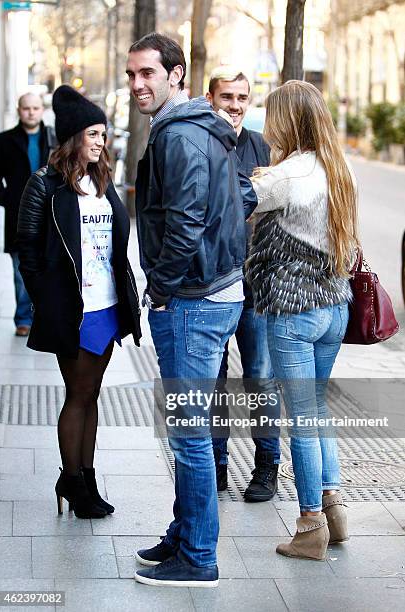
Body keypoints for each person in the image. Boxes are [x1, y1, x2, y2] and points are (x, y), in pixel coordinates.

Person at [126, 33, 256, 587]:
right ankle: (184, 532)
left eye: (149, 74)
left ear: (176, 75)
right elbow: (240, 198)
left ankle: (199, 556)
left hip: (194, 300)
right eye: (131, 74)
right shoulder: (202, 128)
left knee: (189, 434)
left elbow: (185, 222)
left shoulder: (181, 135)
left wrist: (162, 285)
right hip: (212, 291)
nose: (137, 84)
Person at [17, 85, 141, 519]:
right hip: (74, 307)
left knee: (92, 394)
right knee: (78, 393)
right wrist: (46, 300)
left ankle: (85, 477)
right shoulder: (45, 184)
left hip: (107, 304)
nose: (99, 142)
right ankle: (71, 479)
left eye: (103, 135)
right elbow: (27, 249)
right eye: (91, 134)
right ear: (72, 137)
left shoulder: (102, 182)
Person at [246, 80, 358, 560]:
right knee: (316, 410)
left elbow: (235, 205)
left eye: (271, 115)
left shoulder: (283, 176)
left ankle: (309, 523)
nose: (266, 124)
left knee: (303, 421)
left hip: (295, 310)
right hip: (336, 305)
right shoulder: (339, 168)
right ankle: (334, 507)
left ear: (286, 120)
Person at [206, 67, 281, 502]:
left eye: (242, 98)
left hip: (254, 289)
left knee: (260, 379)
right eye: (227, 97)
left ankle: (266, 467)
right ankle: (216, 464)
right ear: (210, 98)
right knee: (213, 382)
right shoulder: (202, 143)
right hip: (213, 285)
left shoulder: (261, 147)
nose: (235, 105)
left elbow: (268, 211)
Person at [0, 93, 57, 336]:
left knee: (50, 267)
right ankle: (24, 318)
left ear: (42, 110)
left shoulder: (54, 139)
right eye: (26, 108)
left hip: (50, 214)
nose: (31, 112)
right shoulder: (3, 141)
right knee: (21, 270)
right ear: (19, 110)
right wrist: (7, 200)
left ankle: (45, 317)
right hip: (18, 217)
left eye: (35, 108)